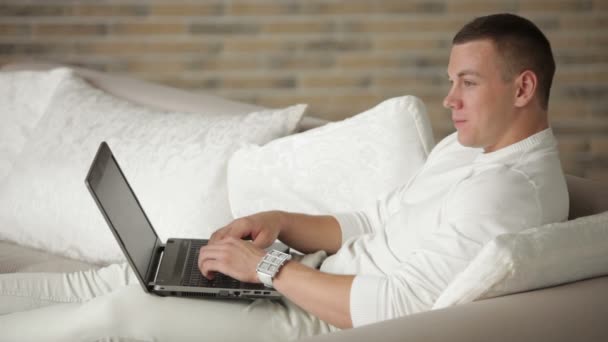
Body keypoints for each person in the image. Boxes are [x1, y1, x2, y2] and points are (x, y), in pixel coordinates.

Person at [0, 13, 569, 341]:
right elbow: (374, 218)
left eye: (468, 83)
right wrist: (282, 224)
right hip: (306, 282)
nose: (449, 100)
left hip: (319, 324)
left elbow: (395, 307)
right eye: (452, 82)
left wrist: (267, 268)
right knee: (111, 279)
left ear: (522, 88)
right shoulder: (469, 150)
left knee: (117, 314)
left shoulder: (511, 193)